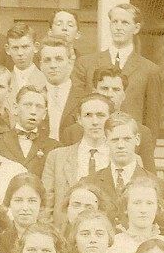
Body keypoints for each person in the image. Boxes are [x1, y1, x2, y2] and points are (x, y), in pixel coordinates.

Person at [80, 112, 164, 241]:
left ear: (137, 139)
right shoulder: (90, 183)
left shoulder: (158, 185)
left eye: (127, 139)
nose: (121, 145)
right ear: (105, 141)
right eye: (115, 140)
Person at [72, 3, 164, 134]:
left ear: (136, 28)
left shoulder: (150, 70)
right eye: (114, 22)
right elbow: (76, 108)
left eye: (125, 23)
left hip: (127, 141)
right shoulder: (86, 64)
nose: (118, 27)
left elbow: (152, 121)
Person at [62, 65, 157, 172]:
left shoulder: (141, 132)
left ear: (123, 95)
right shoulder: (72, 132)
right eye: (104, 89)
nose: (110, 94)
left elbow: (149, 176)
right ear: (94, 92)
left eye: (116, 90)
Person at [42, 92, 113, 227]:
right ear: (79, 119)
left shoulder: (121, 159)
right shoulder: (57, 157)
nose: (95, 122)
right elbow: (46, 208)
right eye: (88, 115)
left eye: (101, 115)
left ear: (110, 119)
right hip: (64, 234)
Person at [0, 86, 59, 180]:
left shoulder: (54, 148)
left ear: (44, 114)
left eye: (39, 107)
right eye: (28, 105)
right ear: (15, 108)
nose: (33, 112)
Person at [38, 36, 80, 142]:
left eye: (59, 59)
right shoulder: (35, 97)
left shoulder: (83, 98)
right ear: (41, 65)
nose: (53, 65)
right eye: (47, 60)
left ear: (70, 63)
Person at [0, 173, 46, 253]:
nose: (25, 208)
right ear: (9, 203)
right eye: (18, 200)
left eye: (32, 201)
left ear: (41, 204)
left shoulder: (51, 239)